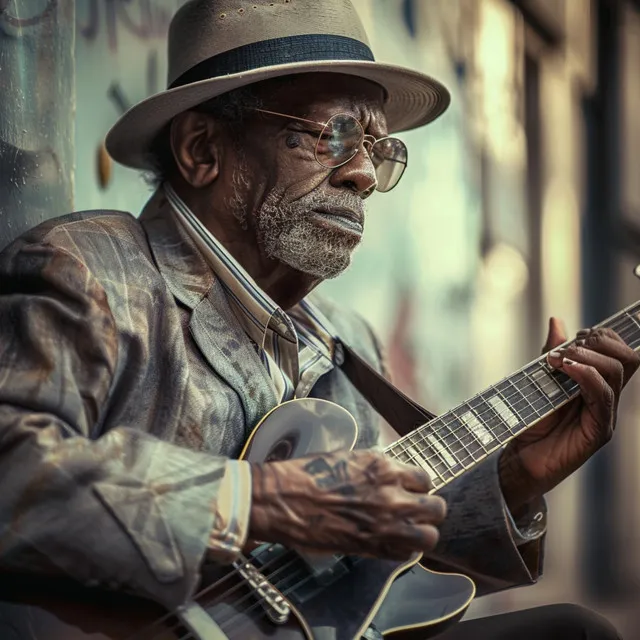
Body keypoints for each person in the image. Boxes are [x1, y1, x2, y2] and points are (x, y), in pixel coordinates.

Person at [0, 1, 637, 638]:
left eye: (376, 147)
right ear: (201, 149)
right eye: (331, 136)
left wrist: (513, 477)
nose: (362, 173)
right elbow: (14, 473)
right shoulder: (88, 270)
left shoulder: (345, 337)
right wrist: (258, 503)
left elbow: (375, 573)